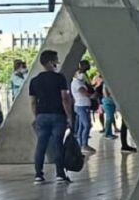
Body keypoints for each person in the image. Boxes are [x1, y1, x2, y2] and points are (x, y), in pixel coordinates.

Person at [28, 49, 73, 184]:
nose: (57, 63)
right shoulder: (60, 78)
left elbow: (32, 101)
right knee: (57, 144)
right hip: (58, 115)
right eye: (56, 60)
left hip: (42, 115)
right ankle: (60, 174)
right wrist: (69, 116)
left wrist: (37, 115)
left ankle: (38, 175)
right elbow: (65, 98)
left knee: (41, 145)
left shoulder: (35, 81)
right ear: (50, 62)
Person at [71, 60, 95, 154]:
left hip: (82, 105)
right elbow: (84, 93)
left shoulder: (80, 82)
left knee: (81, 126)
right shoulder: (77, 83)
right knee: (87, 125)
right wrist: (93, 96)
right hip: (81, 106)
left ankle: (80, 144)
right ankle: (84, 144)